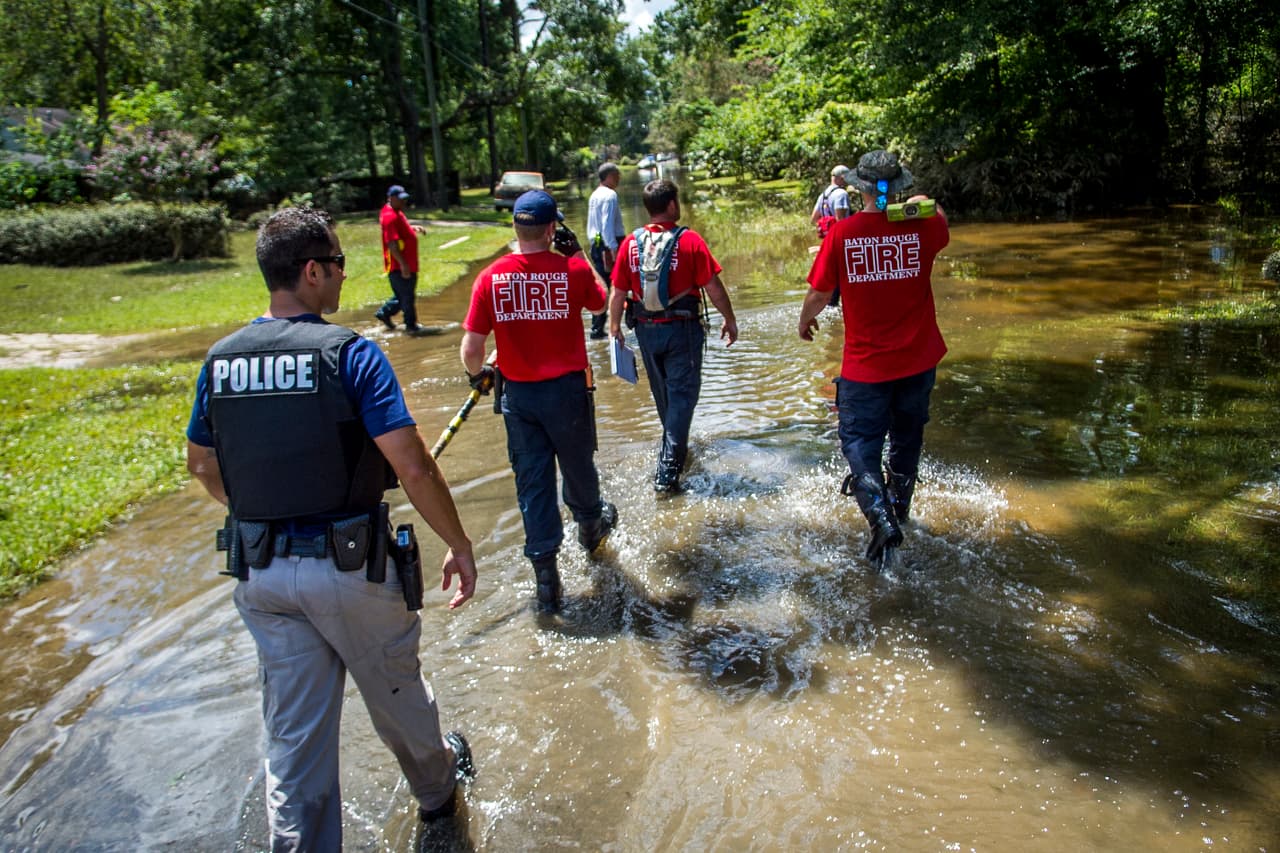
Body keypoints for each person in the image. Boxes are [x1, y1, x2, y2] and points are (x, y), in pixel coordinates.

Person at [185, 207, 479, 849]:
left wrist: (261, 510)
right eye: (341, 264)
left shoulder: (221, 360)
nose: (347, 276)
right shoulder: (350, 354)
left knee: (293, 745)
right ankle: (437, 805)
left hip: (261, 575)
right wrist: (458, 544)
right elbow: (413, 465)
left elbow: (202, 463)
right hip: (350, 570)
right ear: (312, 271)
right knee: (400, 700)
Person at [460, 189, 618, 615]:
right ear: (552, 229)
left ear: (516, 228)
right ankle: (591, 530)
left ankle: (547, 582)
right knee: (578, 465)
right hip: (567, 393)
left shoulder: (491, 278)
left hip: (520, 398)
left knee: (532, 482)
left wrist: (479, 375)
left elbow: (472, 347)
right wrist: (580, 255)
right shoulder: (572, 270)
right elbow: (601, 303)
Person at [797, 149, 950, 570]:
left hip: (867, 370)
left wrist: (804, 322)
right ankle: (898, 514)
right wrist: (907, 207)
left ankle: (880, 518)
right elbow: (941, 216)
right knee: (907, 440)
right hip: (918, 362)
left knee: (859, 444)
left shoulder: (842, 235)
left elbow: (818, 293)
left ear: (858, 187)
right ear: (899, 186)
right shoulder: (923, 225)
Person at [608, 178, 739, 493]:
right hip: (682, 330)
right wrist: (729, 319)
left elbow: (618, 291)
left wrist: (614, 327)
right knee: (683, 397)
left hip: (646, 330)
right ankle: (666, 474)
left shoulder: (630, 244)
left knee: (665, 397)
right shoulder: (690, 240)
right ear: (671, 206)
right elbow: (713, 287)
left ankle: (676, 453)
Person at [375, 184, 429, 334]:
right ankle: (411, 327)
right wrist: (403, 265)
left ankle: (384, 313)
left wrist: (412, 228)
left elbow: (400, 232)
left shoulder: (395, 211)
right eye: (400, 199)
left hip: (406, 265)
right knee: (407, 297)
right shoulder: (390, 217)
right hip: (400, 267)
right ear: (391, 198)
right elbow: (392, 244)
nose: (404, 202)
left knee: (403, 295)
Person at [585, 162, 626, 340]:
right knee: (621, 284)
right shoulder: (610, 195)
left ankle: (598, 328)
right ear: (609, 176)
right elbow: (607, 224)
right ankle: (621, 326)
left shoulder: (595, 194)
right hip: (609, 245)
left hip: (597, 244)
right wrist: (614, 250)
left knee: (602, 285)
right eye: (617, 175)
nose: (619, 179)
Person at [810, 164, 851, 239]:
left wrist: (826, 227)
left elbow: (814, 219)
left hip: (827, 238)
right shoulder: (842, 194)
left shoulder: (823, 195)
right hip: (839, 238)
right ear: (842, 178)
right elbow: (840, 221)